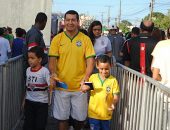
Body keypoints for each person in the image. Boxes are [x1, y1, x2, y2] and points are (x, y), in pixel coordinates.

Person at [48, 10, 95, 130]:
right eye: (67, 20)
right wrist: (53, 75)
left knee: (80, 119)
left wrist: (86, 78)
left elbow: (90, 61)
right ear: (64, 22)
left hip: (81, 86)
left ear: (78, 22)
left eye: (73, 20)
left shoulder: (86, 39)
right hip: (61, 86)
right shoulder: (57, 39)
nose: (70, 22)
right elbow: (52, 60)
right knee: (62, 119)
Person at [84, 54, 120, 130]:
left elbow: (116, 97)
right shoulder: (93, 77)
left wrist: (113, 104)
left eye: (106, 69)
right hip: (93, 113)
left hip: (106, 114)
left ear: (111, 66)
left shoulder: (113, 81)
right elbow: (86, 88)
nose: (104, 71)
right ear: (97, 66)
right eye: (101, 69)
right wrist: (84, 87)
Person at [23, 46, 50, 130]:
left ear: (40, 59)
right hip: (29, 102)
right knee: (28, 125)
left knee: (40, 125)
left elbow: (50, 86)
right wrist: (24, 100)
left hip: (41, 104)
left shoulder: (44, 71)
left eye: (32, 58)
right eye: (28, 58)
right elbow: (27, 87)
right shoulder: (28, 70)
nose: (30, 60)